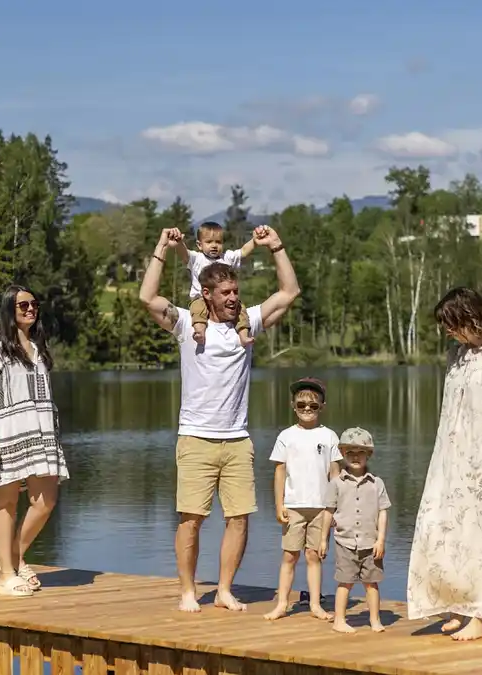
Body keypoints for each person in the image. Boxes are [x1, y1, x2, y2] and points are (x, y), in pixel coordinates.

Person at [138, 224, 300, 613]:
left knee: (239, 519)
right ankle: (188, 592)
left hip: (237, 439)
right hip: (195, 438)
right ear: (206, 295)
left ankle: (225, 590)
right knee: (190, 520)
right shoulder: (185, 325)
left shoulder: (248, 324)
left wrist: (276, 245)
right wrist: (162, 245)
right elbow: (147, 297)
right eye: (225, 293)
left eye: (236, 292)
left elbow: (289, 293)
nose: (233, 299)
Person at [406, 286, 482, 641]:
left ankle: (481, 617)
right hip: (451, 458)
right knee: (442, 528)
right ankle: (456, 604)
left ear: (469, 317)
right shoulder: (456, 354)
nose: (447, 332)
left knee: (479, 534)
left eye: (451, 324)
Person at [0, 285, 69, 597]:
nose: (30, 309)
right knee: (7, 502)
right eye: (23, 304)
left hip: (41, 433)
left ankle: (15, 556)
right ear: (9, 309)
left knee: (46, 501)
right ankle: (6, 575)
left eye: (34, 304)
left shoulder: (38, 346)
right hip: (8, 432)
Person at [263, 378, 342, 622]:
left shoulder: (328, 436)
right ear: (293, 406)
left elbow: (335, 474)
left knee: (313, 556)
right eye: (302, 405)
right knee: (289, 555)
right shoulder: (286, 436)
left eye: (313, 406)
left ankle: (316, 605)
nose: (307, 409)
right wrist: (279, 504)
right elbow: (279, 472)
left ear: (322, 407)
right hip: (294, 506)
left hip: (321, 508)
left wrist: (336, 509)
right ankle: (282, 604)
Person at [324, 427, 390, 634]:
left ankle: (374, 619)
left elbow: (383, 512)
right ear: (343, 454)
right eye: (350, 452)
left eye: (360, 452)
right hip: (345, 542)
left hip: (371, 543)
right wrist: (323, 540)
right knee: (345, 582)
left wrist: (381, 540)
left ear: (368, 454)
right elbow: (328, 511)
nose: (355, 456)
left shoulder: (377, 483)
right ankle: (339, 620)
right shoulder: (336, 483)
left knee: (372, 584)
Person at [171, 221, 257, 347]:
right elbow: (184, 253)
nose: (214, 246)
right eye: (209, 242)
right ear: (199, 245)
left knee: (241, 311)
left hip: (224, 300)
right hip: (200, 298)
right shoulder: (197, 259)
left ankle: (244, 336)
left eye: (218, 242)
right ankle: (200, 332)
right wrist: (178, 243)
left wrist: (255, 241)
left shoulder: (227, 257)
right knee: (198, 310)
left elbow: (243, 251)